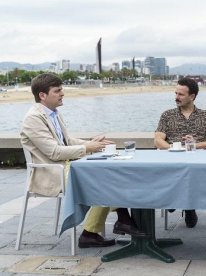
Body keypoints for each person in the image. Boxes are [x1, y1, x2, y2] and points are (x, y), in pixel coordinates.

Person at [21, 73, 149, 248]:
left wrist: (92, 143)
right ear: (42, 95)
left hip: (67, 165)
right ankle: (116, 220)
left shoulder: (53, 114)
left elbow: (67, 141)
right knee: (100, 179)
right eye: (58, 91)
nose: (62, 93)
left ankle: (100, 229)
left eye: (62, 89)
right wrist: (87, 148)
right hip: (52, 170)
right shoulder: (33, 118)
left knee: (105, 173)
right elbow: (54, 152)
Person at [154, 77, 206, 228]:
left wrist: (194, 145)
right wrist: (174, 148)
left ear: (192, 96)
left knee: (190, 172)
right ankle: (187, 205)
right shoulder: (167, 115)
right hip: (174, 160)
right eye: (176, 93)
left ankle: (176, 200)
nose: (176, 97)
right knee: (178, 171)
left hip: (199, 162)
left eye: (181, 94)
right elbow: (158, 140)